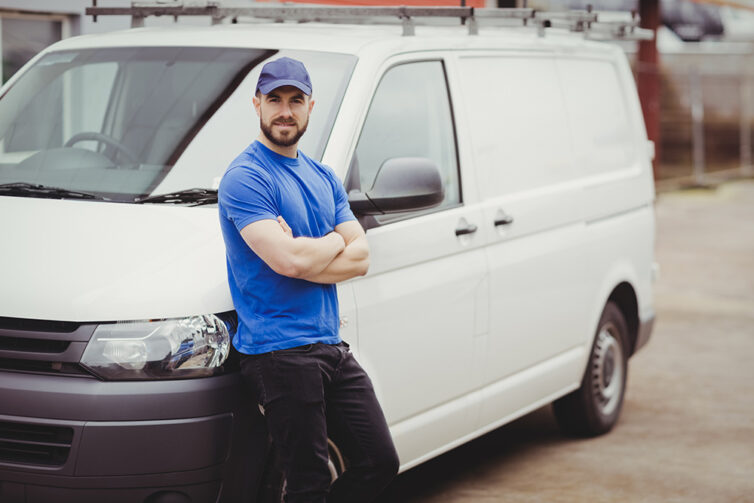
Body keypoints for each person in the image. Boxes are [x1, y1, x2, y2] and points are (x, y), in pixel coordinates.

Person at [217, 57, 399, 503]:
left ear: (310, 106)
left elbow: (361, 259)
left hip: (330, 345)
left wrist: (306, 248)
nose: (285, 110)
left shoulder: (323, 177)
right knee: (308, 481)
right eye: (275, 100)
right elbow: (288, 262)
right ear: (256, 104)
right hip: (279, 353)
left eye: (295, 100)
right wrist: (334, 239)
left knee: (380, 461)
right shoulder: (246, 177)